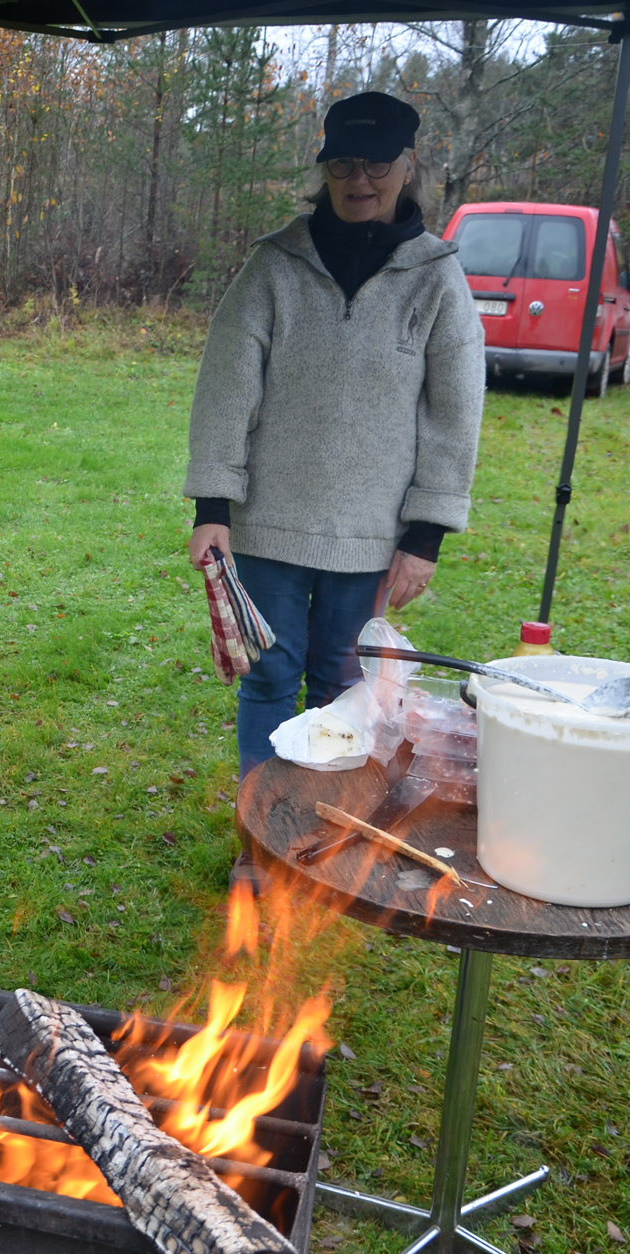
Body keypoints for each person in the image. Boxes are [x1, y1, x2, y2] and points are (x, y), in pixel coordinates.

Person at [184, 90, 484, 776]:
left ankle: (322, 822)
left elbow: (455, 414)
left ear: (408, 166)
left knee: (343, 688)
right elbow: (225, 391)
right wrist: (212, 506)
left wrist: (425, 536)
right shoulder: (273, 266)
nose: (359, 180)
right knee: (268, 678)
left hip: (373, 535)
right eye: (343, 164)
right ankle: (262, 821)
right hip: (269, 525)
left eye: (376, 164)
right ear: (325, 169)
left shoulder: (437, 278)